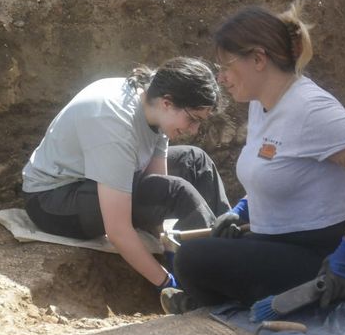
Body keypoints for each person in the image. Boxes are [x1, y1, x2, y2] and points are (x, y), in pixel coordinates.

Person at [167, 6, 345, 316]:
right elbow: (279, 171)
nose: (221, 78)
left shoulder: (311, 109)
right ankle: (233, 305)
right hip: (278, 244)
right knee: (197, 255)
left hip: (324, 260)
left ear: (258, 60)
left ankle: (229, 306)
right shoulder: (261, 104)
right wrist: (242, 210)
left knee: (191, 260)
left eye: (225, 66)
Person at [20, 57, 229, 294]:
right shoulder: (115, 123)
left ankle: (232, 247)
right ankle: (216, 280)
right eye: (192, 119)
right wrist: (168, 283)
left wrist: (164, 234)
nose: (194, 130)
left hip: (96, 175)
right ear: (167, 103)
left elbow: (158, 181)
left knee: (195, 160)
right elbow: (118, 230)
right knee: (178, 193)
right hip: (53, 201)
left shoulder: (153, 103)